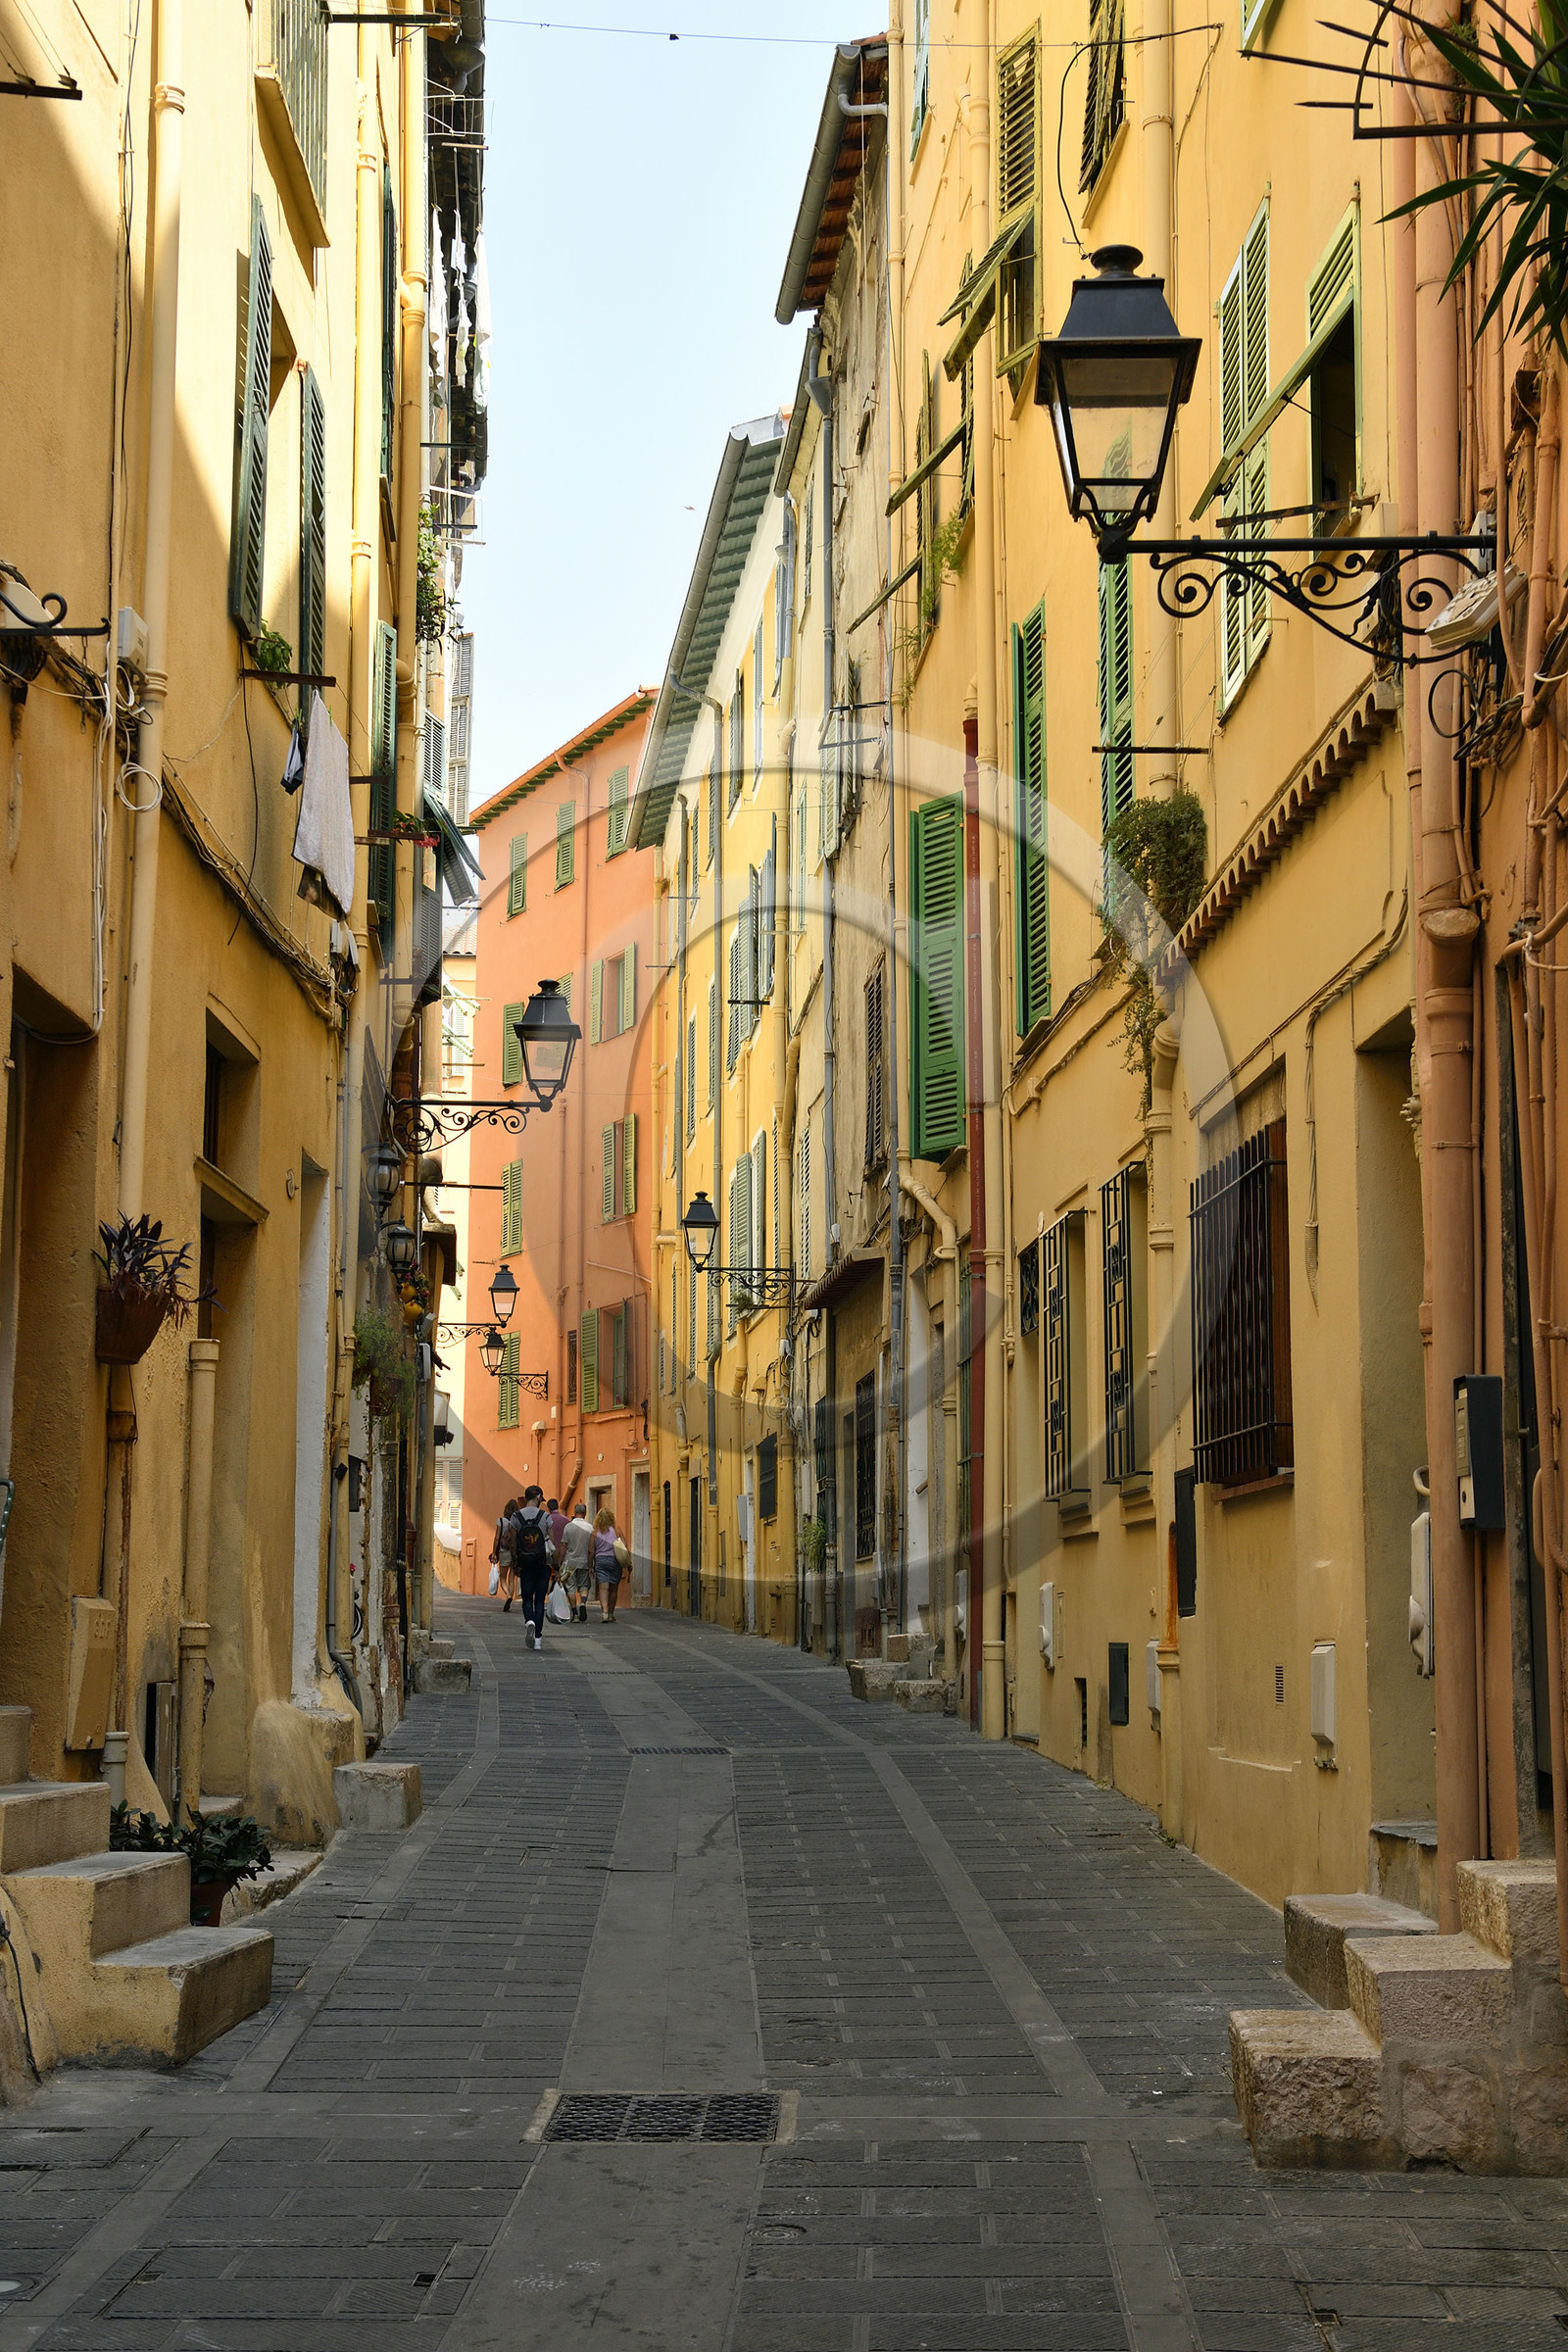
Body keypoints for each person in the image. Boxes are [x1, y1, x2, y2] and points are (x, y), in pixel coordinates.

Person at [513, 1486, 553, 1649]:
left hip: (526, 1564)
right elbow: (552, 1543)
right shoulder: (545, 1517)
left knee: (527, 1599)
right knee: (540, 1601)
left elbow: (513, 1543)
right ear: (538, 1498)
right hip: (542, 1564)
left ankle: (529, 1621)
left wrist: (515, 1563)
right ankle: (538, 1640)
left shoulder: (516, 1516)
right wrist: (555, 1566)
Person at [560, 1502, 593, 1623]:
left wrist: (560, 1561)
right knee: (584, 1585)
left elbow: (563, 1546)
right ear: (585, 1513)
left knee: (571, 1588)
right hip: (584, 1561)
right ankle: (583, 1603)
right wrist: (591, 1564)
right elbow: (591, 1549)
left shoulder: (568, 1527)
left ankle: (575, 1614)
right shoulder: (590, 1527)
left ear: (574, 1512)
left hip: (570, 1561)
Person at [591, 1505, 623, 1623]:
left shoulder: (595, 1532)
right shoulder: (616, 1529)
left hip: (600, 1561)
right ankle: (611, 1613)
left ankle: (604, 1612)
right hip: (614, 1560)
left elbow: (591, 1550)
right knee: (613, 1589)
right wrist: (628, 1563)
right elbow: (624, 1546)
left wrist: (590, 1565)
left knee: (603, 1588)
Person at [492, 1497, 518, 1611]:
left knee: (502, 1578)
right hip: (515, 1552)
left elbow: (497, 1538)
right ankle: (510, 1600)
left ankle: (507, 1595)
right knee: (511, 1579)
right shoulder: (517, 1522)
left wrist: (494, 1552)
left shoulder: (501, 1521)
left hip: (504, 1552)